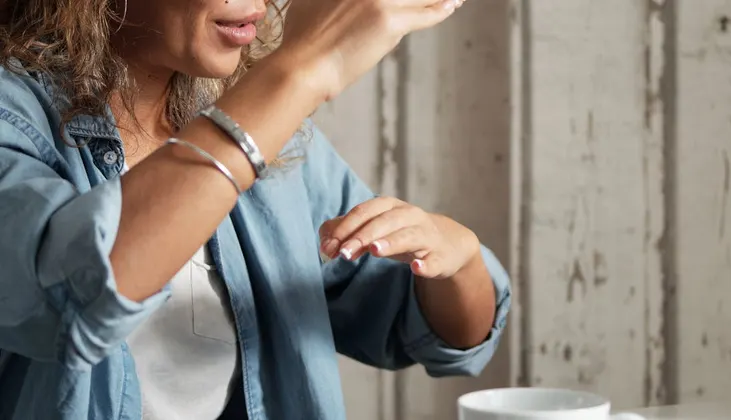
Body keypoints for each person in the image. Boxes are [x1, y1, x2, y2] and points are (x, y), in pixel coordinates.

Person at [0, 0, 511, 419]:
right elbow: (73, 296)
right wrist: (299, 71)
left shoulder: (272, 133)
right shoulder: (14, 121)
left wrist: (458, 258)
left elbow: (435, 333)